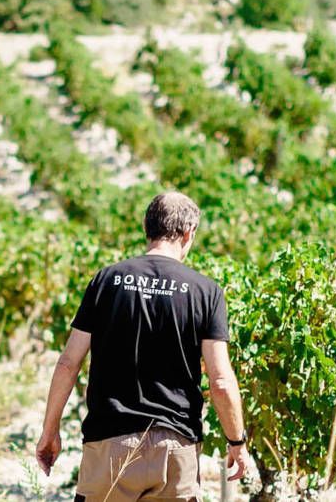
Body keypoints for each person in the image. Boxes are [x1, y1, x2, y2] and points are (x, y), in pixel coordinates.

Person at [36, 191, 255, 501]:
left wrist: (50, 432)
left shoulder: (107, 280)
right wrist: (237, 442)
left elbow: (68, 364)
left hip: (109, 444)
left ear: (146, 227)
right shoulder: (206, 292)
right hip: (175, 450)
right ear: (188, 232)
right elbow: (220, 380)